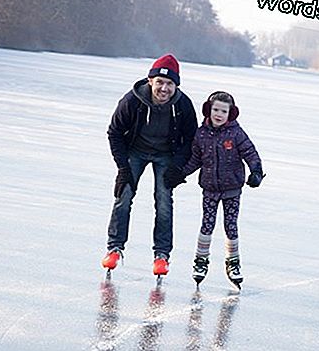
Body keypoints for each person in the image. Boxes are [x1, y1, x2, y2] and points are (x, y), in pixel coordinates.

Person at [101, 53, 198, 277]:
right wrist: (122, 168)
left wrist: (177, 168)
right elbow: (114, 132)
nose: (164, 88)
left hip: (166, 155)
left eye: (170, 84)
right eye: (160, 82)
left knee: (164, 200)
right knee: (123, 194)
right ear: (150, 81)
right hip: (135, 151)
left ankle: (161, 255)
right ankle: (114, 248)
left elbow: (190, 140)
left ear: (176, 86)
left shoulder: (183, 105)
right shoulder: (131, 100)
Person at [164, 91, 264, 287]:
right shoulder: (201, 134)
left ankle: (233, 263)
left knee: (230, 226)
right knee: (207, 224)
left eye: (223, 111)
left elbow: (250, 153)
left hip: (232, 189)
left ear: (230, 114)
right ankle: (201, 261)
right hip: (209, 188)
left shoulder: (236, 133)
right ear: (209, 110)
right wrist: (181, 173)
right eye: (216, 109)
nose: (219, 114)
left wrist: (256, 171)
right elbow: (196, 159)